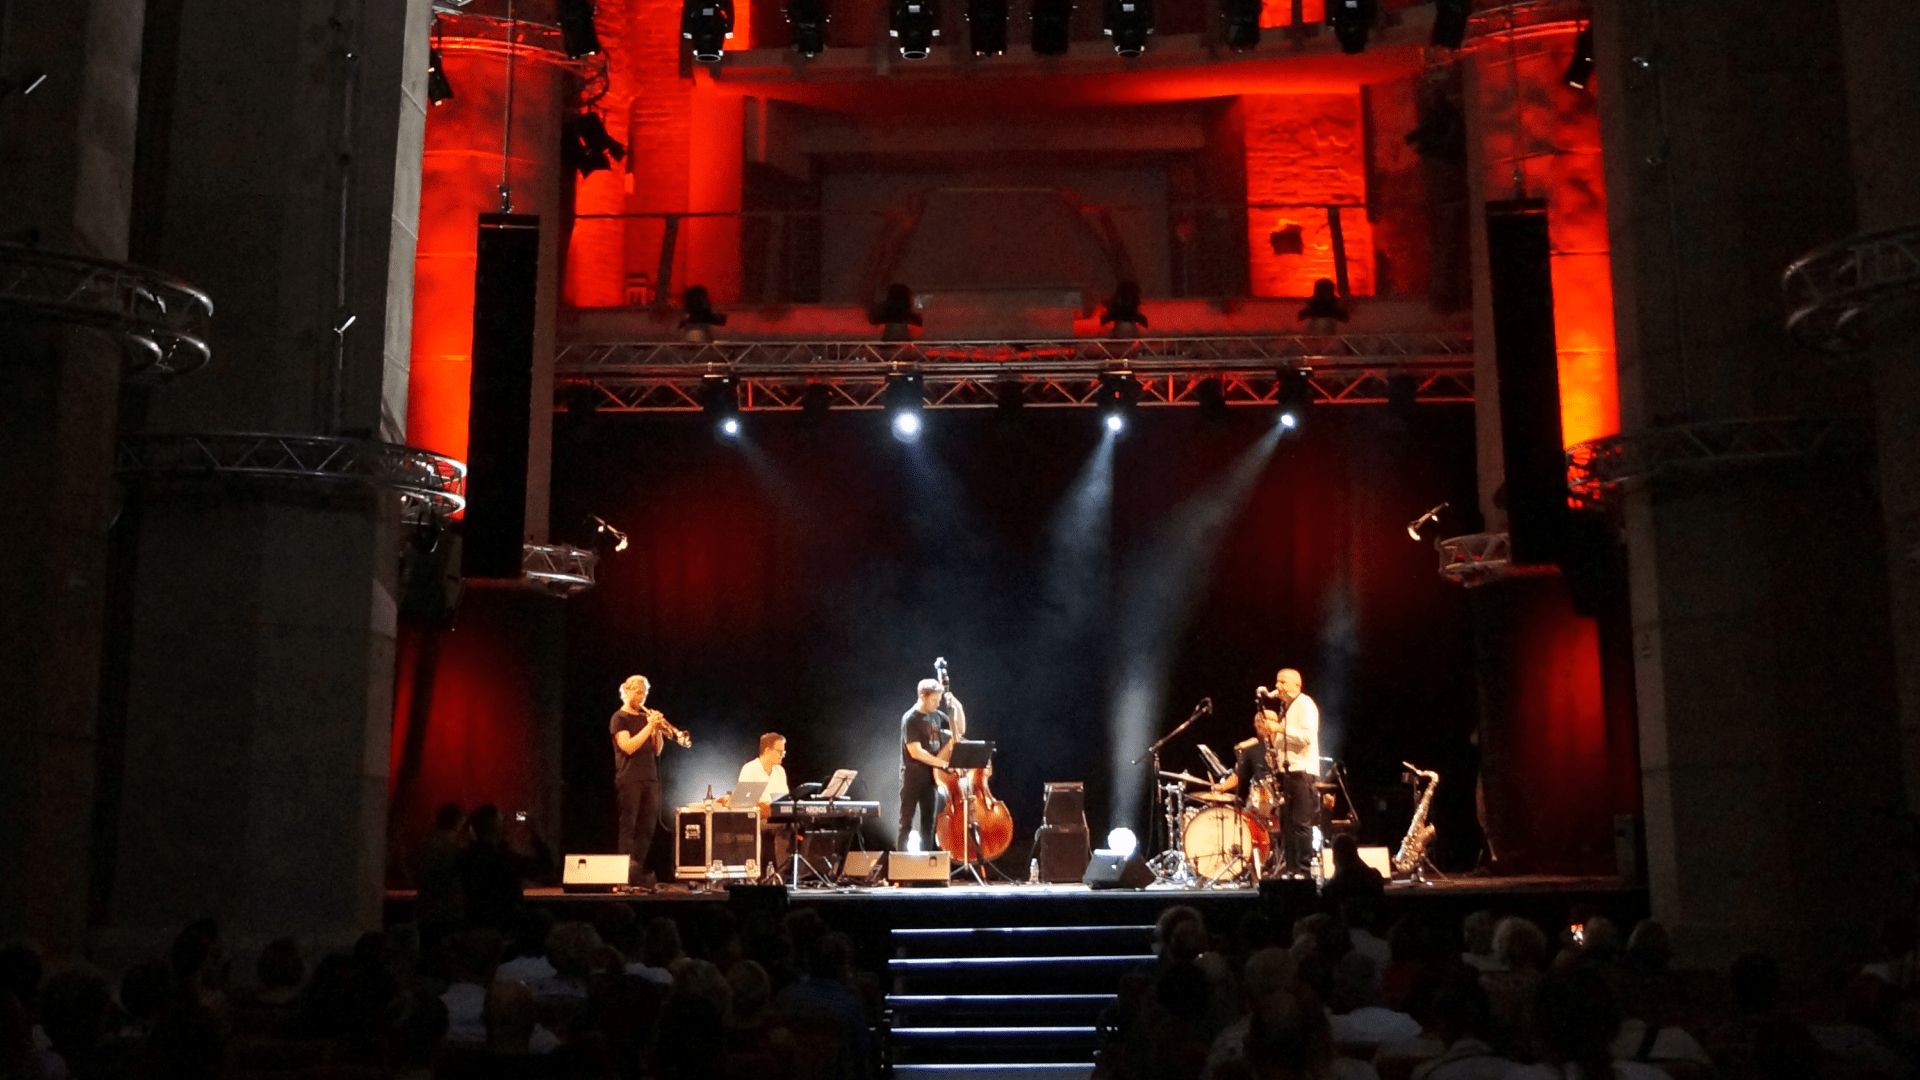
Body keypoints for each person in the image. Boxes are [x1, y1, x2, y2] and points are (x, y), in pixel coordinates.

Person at [611, 674, 682, 887]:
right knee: (629, 829)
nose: (642, 697)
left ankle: (637, 873)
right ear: (626, 690)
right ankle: (623, 876)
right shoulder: (619, 718)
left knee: (647, 828)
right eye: (638, 692)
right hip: (629, 779)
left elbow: (657, 750)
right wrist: (649, 727)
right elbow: (629, 746)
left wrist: (658, 729)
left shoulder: (646, 718)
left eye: (645, 693)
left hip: (650, 779)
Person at [1261, 668, 1321, 875]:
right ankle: (1292, 868)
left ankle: (1304, 870)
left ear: (1296, 685)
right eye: (1277, 682)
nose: (1277, 686)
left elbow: (1306, 738)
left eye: (1283, 682)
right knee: (1287, 824)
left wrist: (1278, 729)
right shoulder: (1287, 708)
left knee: (1301, 824)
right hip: (1287, 772)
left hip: (1301, 771)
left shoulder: (1305, 704)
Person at [897, 678, 957, 852]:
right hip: (912, 778)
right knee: (906, 823)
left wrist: (956, 705)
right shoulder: (911, 719)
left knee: (928, 824)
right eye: (934, 700)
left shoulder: (937, 716)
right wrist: (943, 764)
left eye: (939, 700)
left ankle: (927, 867)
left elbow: (957, 729)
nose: (938, 704)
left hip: (932, 779)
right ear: (923, 696)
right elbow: (916, 752)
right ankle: (900, 868)